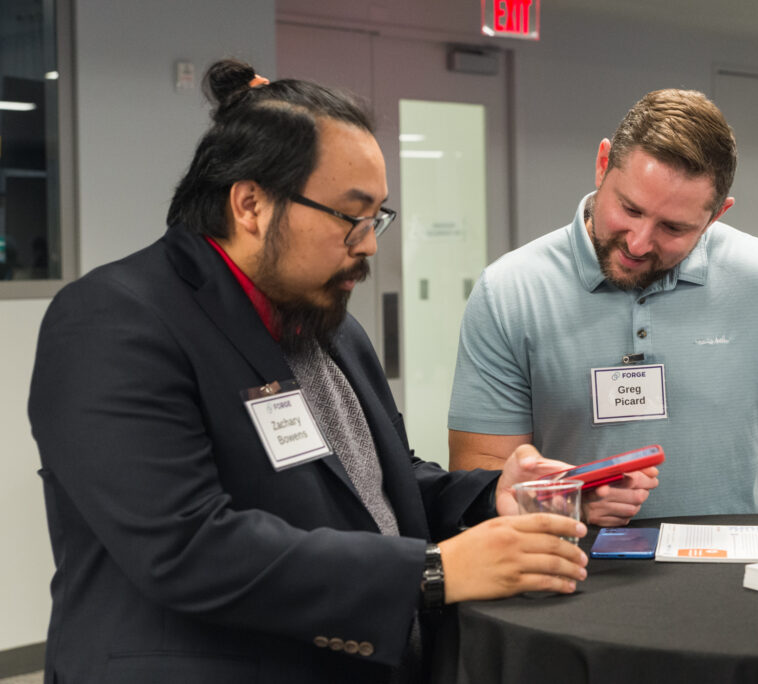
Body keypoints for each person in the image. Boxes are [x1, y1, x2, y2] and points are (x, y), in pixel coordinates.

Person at [27, 59, 610, 684]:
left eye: (377, 216)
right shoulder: (116, 321)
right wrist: (435, 571)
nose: (369, 244)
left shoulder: (324, 323)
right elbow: (188, 547)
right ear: (250, 203)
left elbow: (377, 485)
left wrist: (491, 498)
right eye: (350, 216)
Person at [448, 88, 758, 530]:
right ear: (603, 165)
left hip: (737, 578)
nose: (640, 242)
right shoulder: (510, 291)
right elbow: (482, 479)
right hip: (573, 572)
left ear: (717, 215)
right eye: (629, 209)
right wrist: (568, 501)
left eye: (673, 228)